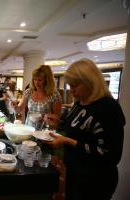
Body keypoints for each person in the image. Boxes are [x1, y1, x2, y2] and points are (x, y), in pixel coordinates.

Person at [44, 59, 125, 200]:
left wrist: (69, 142)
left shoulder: (108, 108)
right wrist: (59, 124)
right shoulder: (80, 102)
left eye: (75, 85)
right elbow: (75, 128)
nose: (71, 90)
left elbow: (110, 155)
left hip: (95, 180)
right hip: (75, 171)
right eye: (70, 85)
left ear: (91, 82)